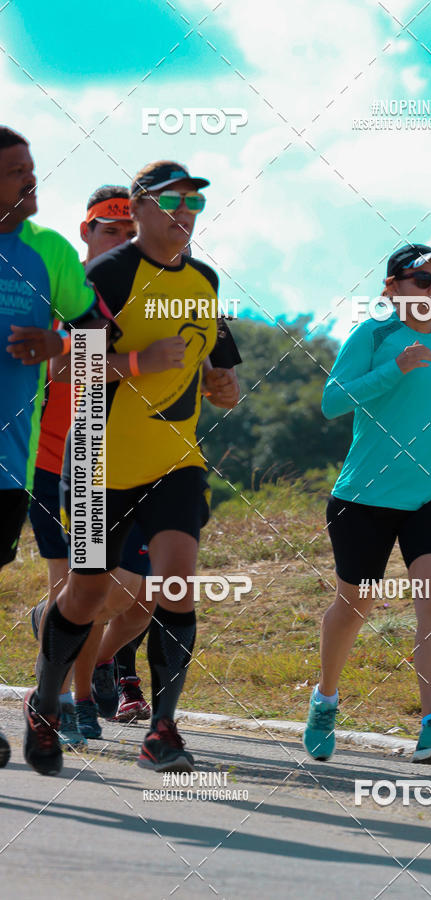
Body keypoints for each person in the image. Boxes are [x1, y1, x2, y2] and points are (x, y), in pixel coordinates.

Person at [24, 159, 241, 776]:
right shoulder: (105, 278)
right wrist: (139, 362)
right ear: (140, 206)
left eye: (195, 204)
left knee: (176, 582)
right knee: (88, 592)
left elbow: (217, 368)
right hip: (96, 455)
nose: (184, 214)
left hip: (174, 459)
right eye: (172, 201)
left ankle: (163, 731)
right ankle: (45, 704)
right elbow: (67, 369)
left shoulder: (204, 281)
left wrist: (222, 385)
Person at [303, 243, 431, 765]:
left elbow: (428, 408)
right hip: (365, 495)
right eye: (422, 279)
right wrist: (398, 368)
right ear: (392, 288)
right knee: (354, 605)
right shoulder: (373, 334)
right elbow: (333, 401)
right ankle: (326, 698)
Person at [28, 185, 152, 748]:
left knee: (132, 593)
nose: (121, 242)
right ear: (86, 231)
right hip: (53, 460)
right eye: (111, 230)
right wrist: (130, 360)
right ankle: (72, 703)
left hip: (123, 461)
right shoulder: (58, 289)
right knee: (77, 584)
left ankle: (52, 631)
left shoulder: (146, 294)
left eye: (130, 233)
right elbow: (59, 371)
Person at [0, 125, 103, 767]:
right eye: (15, 171)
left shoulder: (51, 254)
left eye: (32, 168)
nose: (32, 180)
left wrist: (60, 346)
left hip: (12, 462)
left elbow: (99, 342)